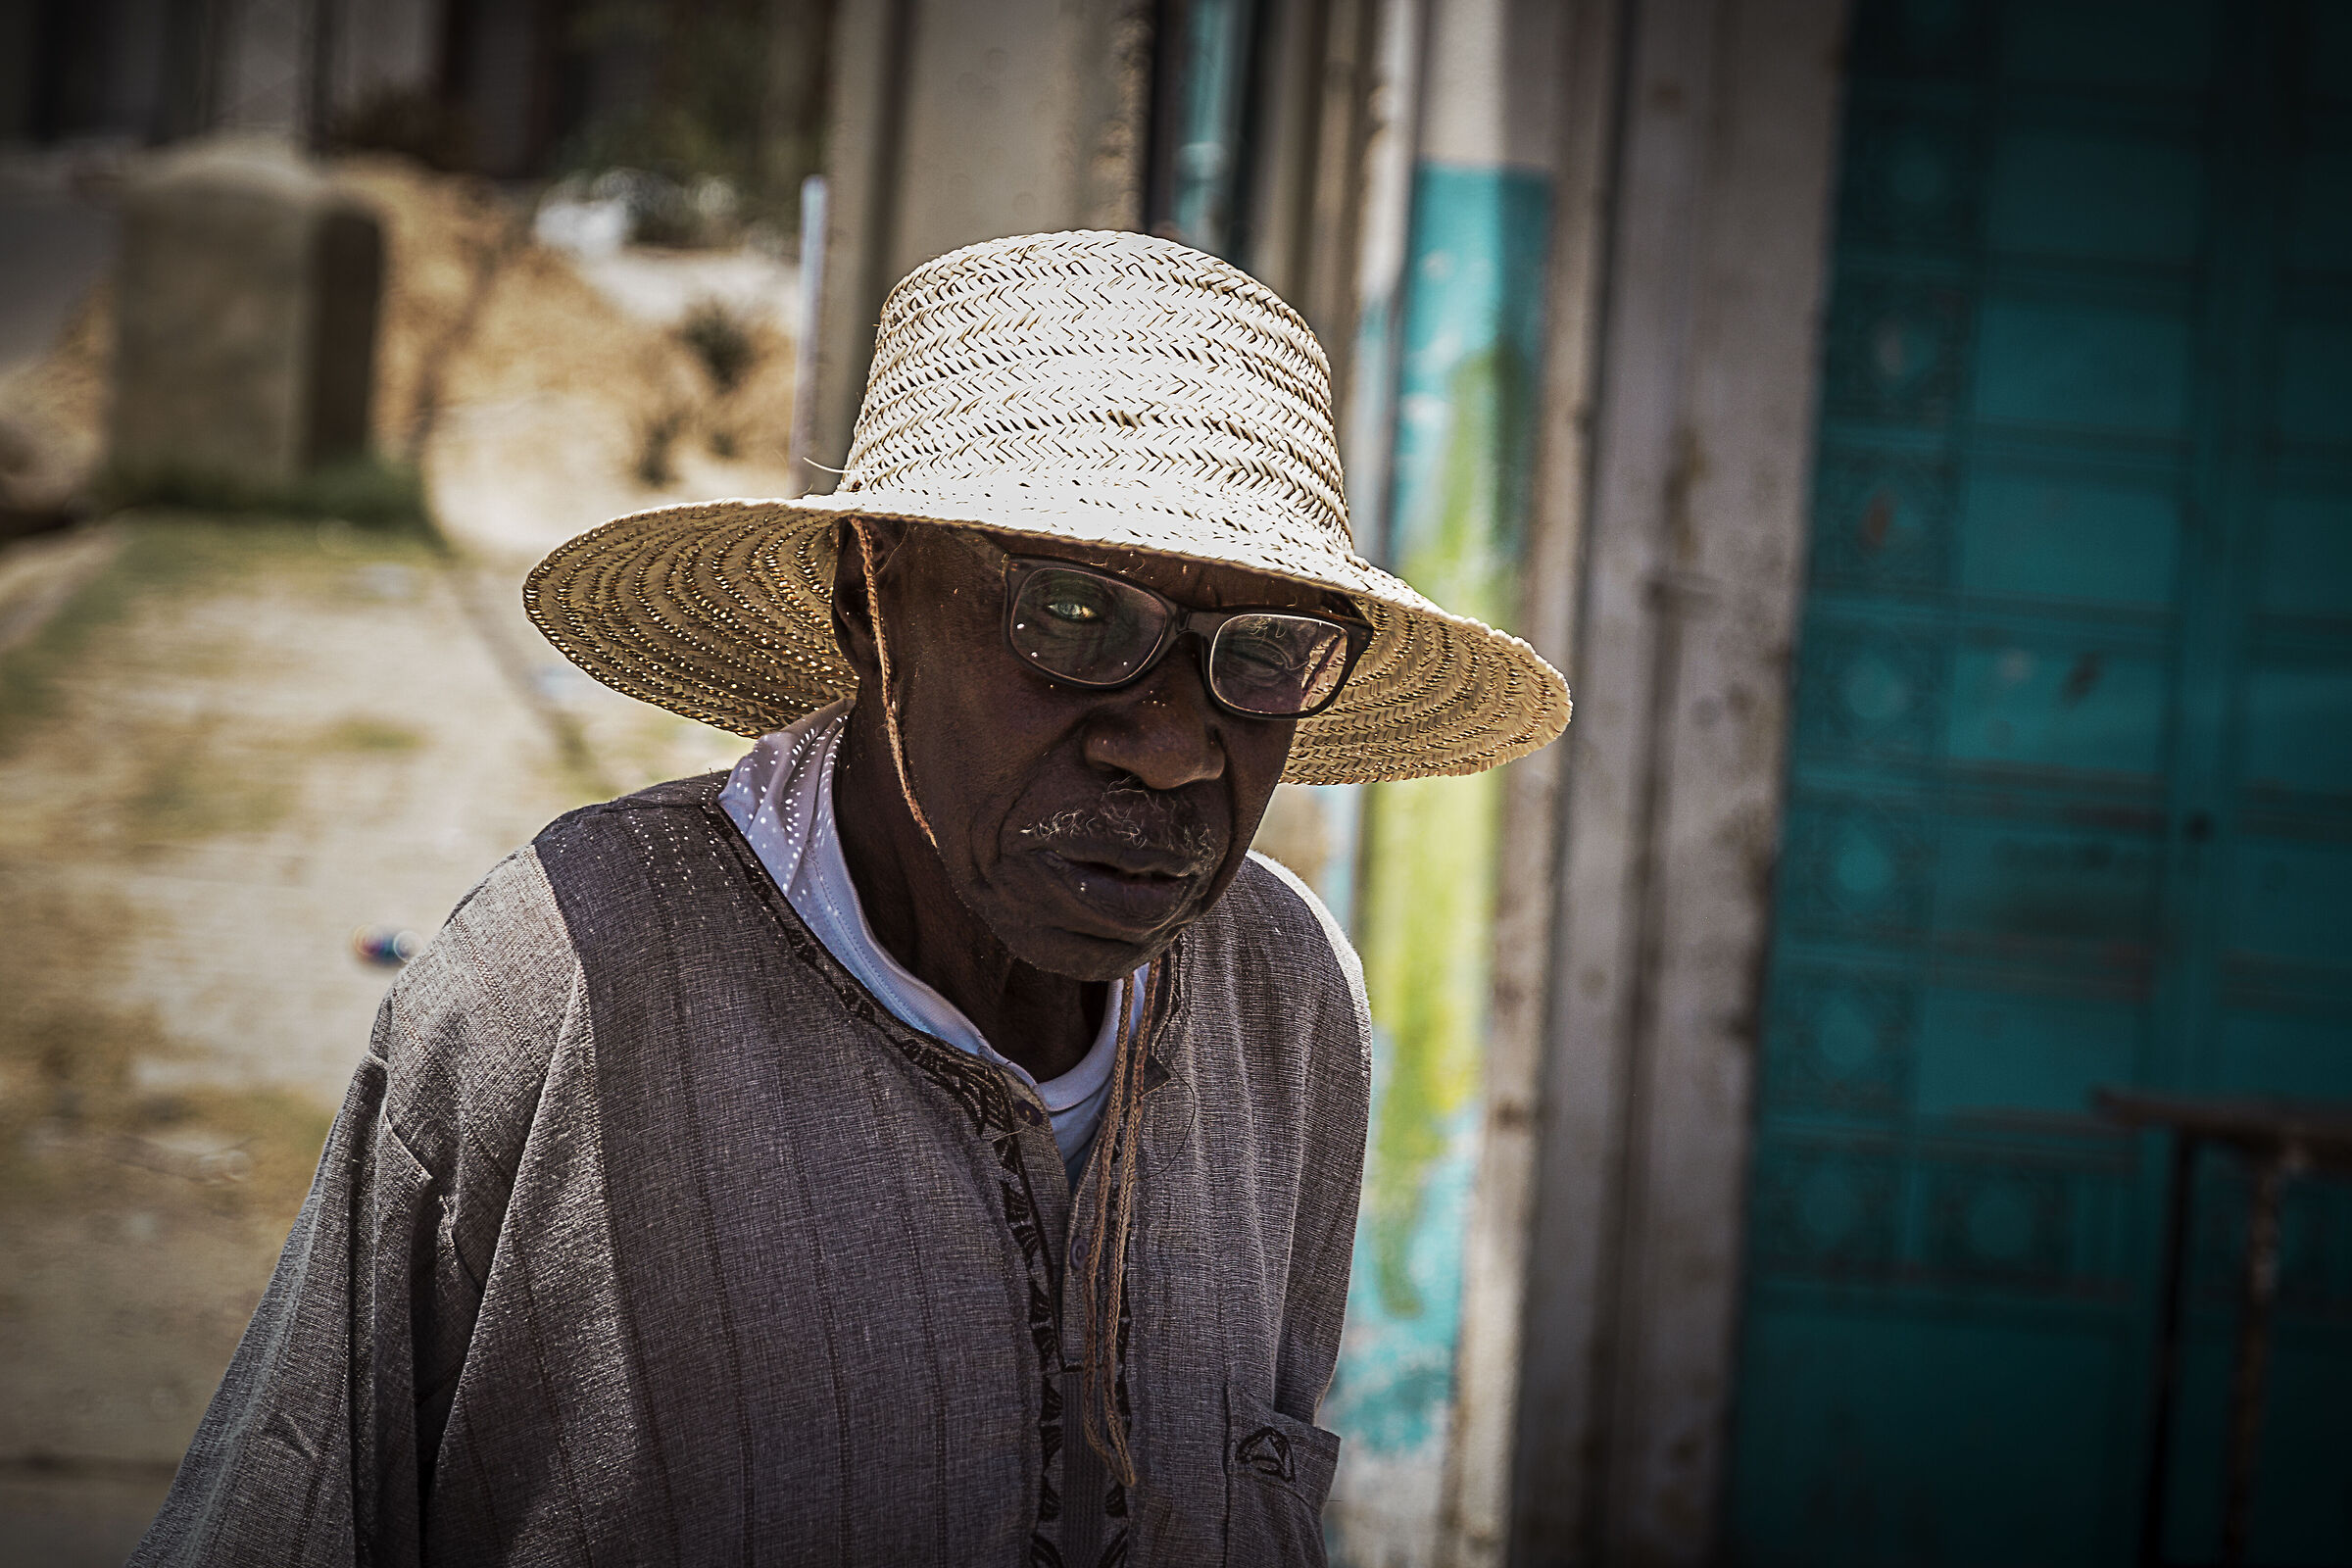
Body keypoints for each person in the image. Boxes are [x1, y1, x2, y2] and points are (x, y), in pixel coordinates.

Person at [133, 229, 1569, 1566]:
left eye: (1261, 652)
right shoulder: (563, 986)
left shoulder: (1285, 998)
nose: (1174, 742)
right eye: (1071, 614)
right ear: (866, 598)